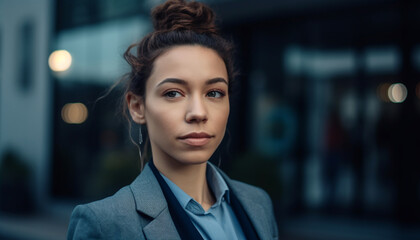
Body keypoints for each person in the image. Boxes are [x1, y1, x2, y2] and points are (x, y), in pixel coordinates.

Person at [67, 0, 278, 239]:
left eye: (214, 93)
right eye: (173, 93)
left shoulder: (258, 204)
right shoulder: (105, 224)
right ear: (138, 107)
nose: (198, 113)